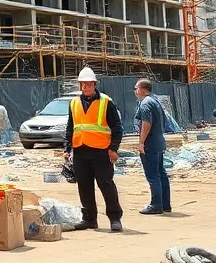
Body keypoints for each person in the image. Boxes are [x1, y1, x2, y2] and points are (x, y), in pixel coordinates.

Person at [65, 66, 124, 232]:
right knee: (84, 186)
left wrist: (114, 148)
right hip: (80, 151)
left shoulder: (106, 102)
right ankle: (89, 219)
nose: (86, 87)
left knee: (106, 184)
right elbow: (70, 128)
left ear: (94, 84)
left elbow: (117, 127)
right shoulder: (74, 103)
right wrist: (67, 148)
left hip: (100, 151)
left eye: (88, 84)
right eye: (83, 84)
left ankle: (115, 218)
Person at [133, 78, 170, 215]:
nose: (135, 91)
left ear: (142, 89)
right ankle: (165, 204)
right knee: (161, 174)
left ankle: (156, 205)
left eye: (136, 88)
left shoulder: (145, 103)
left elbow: (146, 123)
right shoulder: (155, 101)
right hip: (159, 142)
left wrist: (141, 142)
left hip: (150, 144)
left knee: (153, 175)